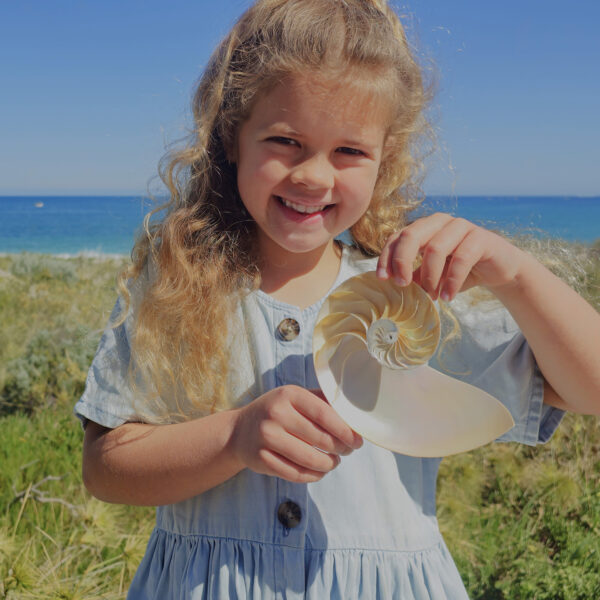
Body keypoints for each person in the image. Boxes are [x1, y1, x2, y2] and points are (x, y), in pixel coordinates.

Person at [75, 0, 600, 598]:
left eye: (349, 152)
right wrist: (234, 438)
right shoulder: (177, 288)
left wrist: (518, 276)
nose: (314, 177)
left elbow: (590, 386)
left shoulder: (410, 295)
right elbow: (106, 467)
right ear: (231, 137)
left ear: (386, 158)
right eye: (285, 140)